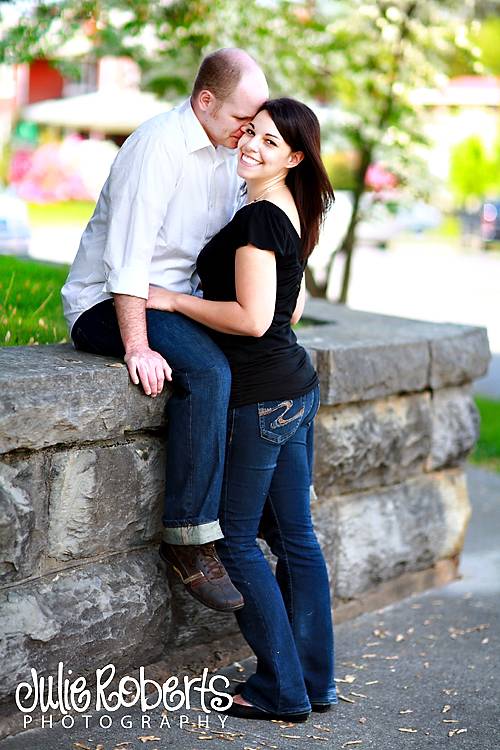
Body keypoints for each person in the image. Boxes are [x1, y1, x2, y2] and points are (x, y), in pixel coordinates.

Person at [146, 98, 337, 721]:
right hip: (295, 387)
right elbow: (291, 310)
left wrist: (173, 302)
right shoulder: (290, 210)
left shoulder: (259, 218)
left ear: (294, 157)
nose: (251, 145)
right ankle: (313, 683)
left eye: (270, 142)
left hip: (262, 398)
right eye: (250, 131)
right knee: (297, 539)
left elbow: (254, 320)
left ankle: (281, 692)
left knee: (234, 540)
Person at [60, 49, 269, 613]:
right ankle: (189, 538)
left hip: (174, 303)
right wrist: (137, 345)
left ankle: (251, 518)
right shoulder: (157, 146)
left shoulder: (228, 151)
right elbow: (127, 258)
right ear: (205, 101)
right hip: (108, 302)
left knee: (264, 364)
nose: (248, 134)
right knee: (206, 371)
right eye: (241, 121)